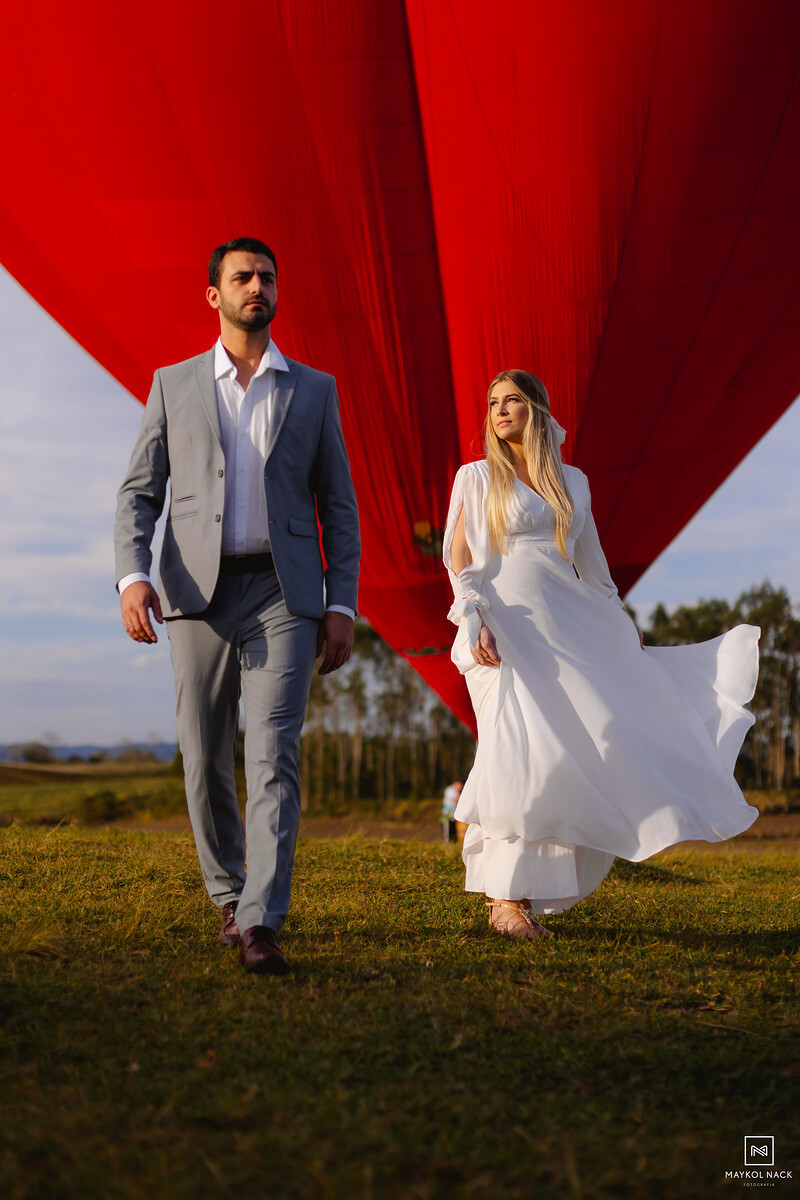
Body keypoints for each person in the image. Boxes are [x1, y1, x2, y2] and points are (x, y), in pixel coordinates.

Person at [115, 237, 360, 974]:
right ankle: (227, 894)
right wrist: (132, 575)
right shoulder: (172, 383)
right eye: (243, 276)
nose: (258, 285)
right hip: (195, 592)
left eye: (268, 276)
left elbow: (339, 507)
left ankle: (260, 920)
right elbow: (139, 492)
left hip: (286, 593)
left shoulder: (314, 390)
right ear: (213, 295)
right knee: (202, 753)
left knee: (273, 752)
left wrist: (340, 601)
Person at [443, 369, 759, 941]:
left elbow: (592, 564)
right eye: (492, 402)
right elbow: (460, 556)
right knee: (516, 747)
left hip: (570, 624)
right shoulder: (476, 477)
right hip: (501, 625)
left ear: (538, 410)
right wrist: (473, 616)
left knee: (580, 744)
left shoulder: (574, 482)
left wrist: (618, 622)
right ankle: (504, 901)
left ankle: (528, 894)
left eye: (513, 400)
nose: (500, 410)